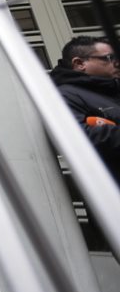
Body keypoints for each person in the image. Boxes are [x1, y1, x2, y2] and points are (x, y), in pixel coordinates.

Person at [51, 36, 120, 182]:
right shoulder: (64, 96)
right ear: (80, 63)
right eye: (109, 58)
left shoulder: (113, 88)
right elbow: (79, 137)